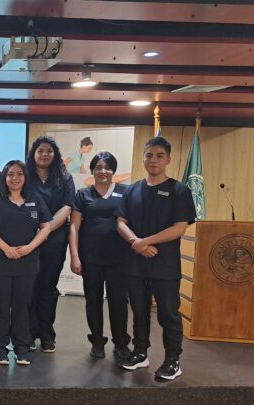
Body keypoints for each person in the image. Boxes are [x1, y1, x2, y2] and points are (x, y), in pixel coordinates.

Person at [116, 136, 196, 381]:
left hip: (165, 264)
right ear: (143, 158)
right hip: (135, 263)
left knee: (168, 314)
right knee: (139, 310)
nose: (153, 160)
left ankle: (173, 360)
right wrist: (136, 243)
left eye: (159, 156)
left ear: (168, 159)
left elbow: (179, 227)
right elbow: (121, 222)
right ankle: (140, 353)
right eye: (149, 155)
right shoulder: (132, 190)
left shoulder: (179, 191)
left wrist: (145, 242)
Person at [0, 160, 51, 365]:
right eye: (10, 174)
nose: (15, 178)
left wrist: (30, 247)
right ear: (4, 177)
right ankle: (0, 348)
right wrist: (6, 248)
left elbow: (46, 227)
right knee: (2, 306)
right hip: (0, 261)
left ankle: (21, 347)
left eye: (19, 174)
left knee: (22, 306)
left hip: (27, 262)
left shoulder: (34, 199)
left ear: (25, 177)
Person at [69, 152, 131, 363]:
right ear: (92, 170)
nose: (103, 171)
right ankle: (97, 341)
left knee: (118, 302)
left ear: (113, 170)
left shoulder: (125, 192)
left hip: (119, 259)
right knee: (93, 301)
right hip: (90, 258)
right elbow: (74, 227)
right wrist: (74, 256)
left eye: (107, 167)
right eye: (98, 167)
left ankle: (121, 343)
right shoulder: (82, 194)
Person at [26, 136, 75, 353]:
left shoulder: (64, 178)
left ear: (55, 154)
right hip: (27, 239)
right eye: (40, 150)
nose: (44, 154)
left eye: (48, 151)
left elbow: (67, 207)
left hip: (54, 239)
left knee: (47, 287)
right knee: (29, 287)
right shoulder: (25, 176)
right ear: (33, 154)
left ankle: (47, 334)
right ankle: (27, 333)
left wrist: (46, 230)